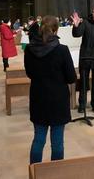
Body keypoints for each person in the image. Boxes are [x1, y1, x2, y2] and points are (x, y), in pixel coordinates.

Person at [24, 16, 77, 163]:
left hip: (38, 97)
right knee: (57, 141)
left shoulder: (29, 49)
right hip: (58, 99)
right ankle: (55, 174)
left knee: (39, 139)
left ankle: (34, 171)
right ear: (55, 30)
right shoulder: (62, 50)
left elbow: (29, 73)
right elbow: (71, 77)